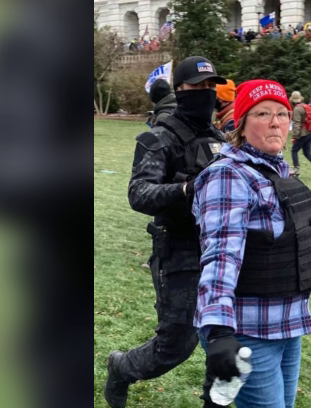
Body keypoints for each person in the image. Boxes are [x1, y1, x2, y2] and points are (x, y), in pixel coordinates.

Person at [192, 79, 311, 408]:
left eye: (282, 113)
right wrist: (218, 330)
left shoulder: (276, 168)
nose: (276, 122)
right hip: (249, 328)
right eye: (262, 113)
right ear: (242, 125)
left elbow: (279, 231)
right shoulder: (229, 175)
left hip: (288, 321)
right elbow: (220, 255)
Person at [104, 56, 228, 408]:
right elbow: (138, 193)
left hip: (223, 250)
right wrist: (186, 190)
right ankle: (122, 367)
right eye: (196, 87)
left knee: (225, 338)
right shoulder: (159, 137)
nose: (205, 93)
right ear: (179, 90)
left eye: (210, 86)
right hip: (181, 253)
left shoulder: (218, 136)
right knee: (176, 345)